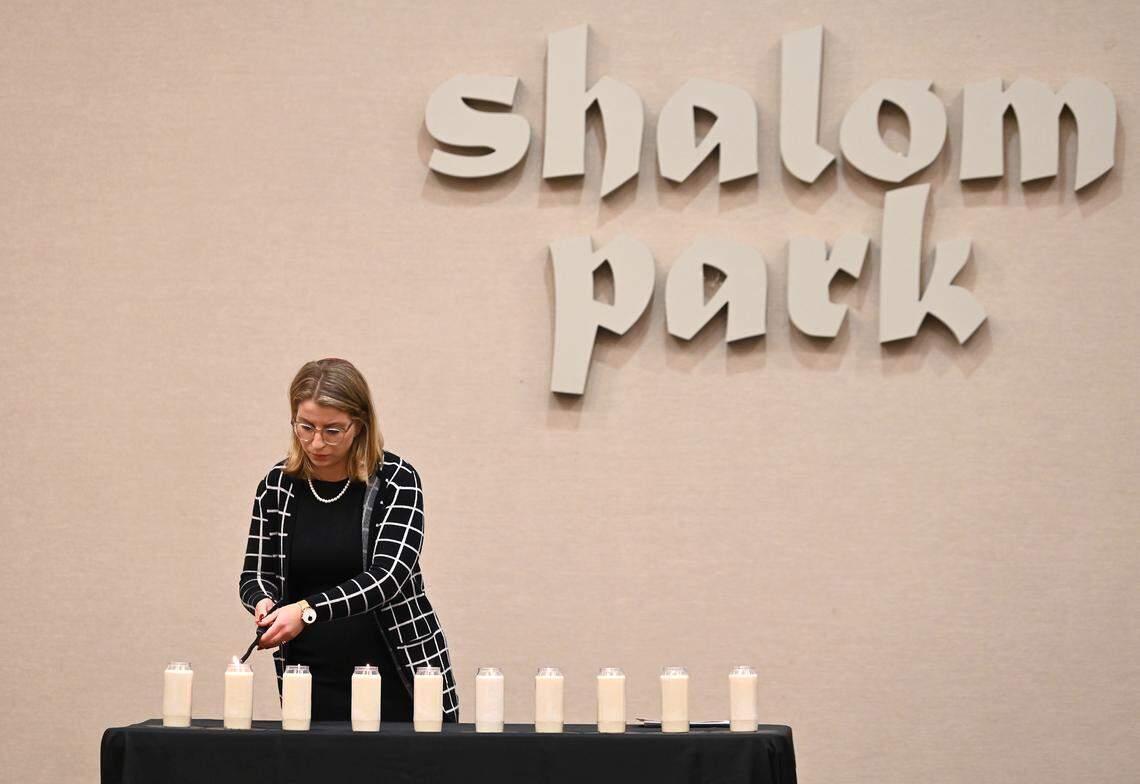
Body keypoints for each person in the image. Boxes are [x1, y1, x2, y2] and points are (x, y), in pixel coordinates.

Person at [238, 357, 459, 722]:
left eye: (333, 430)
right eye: (305, 427)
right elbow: (255, 574)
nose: (316, 442)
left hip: (397, 670)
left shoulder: (397, 481)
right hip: (309, 674)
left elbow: (386, 578)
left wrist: (306, 611)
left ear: (359, 424)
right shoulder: (276, 486)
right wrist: (262, 600)